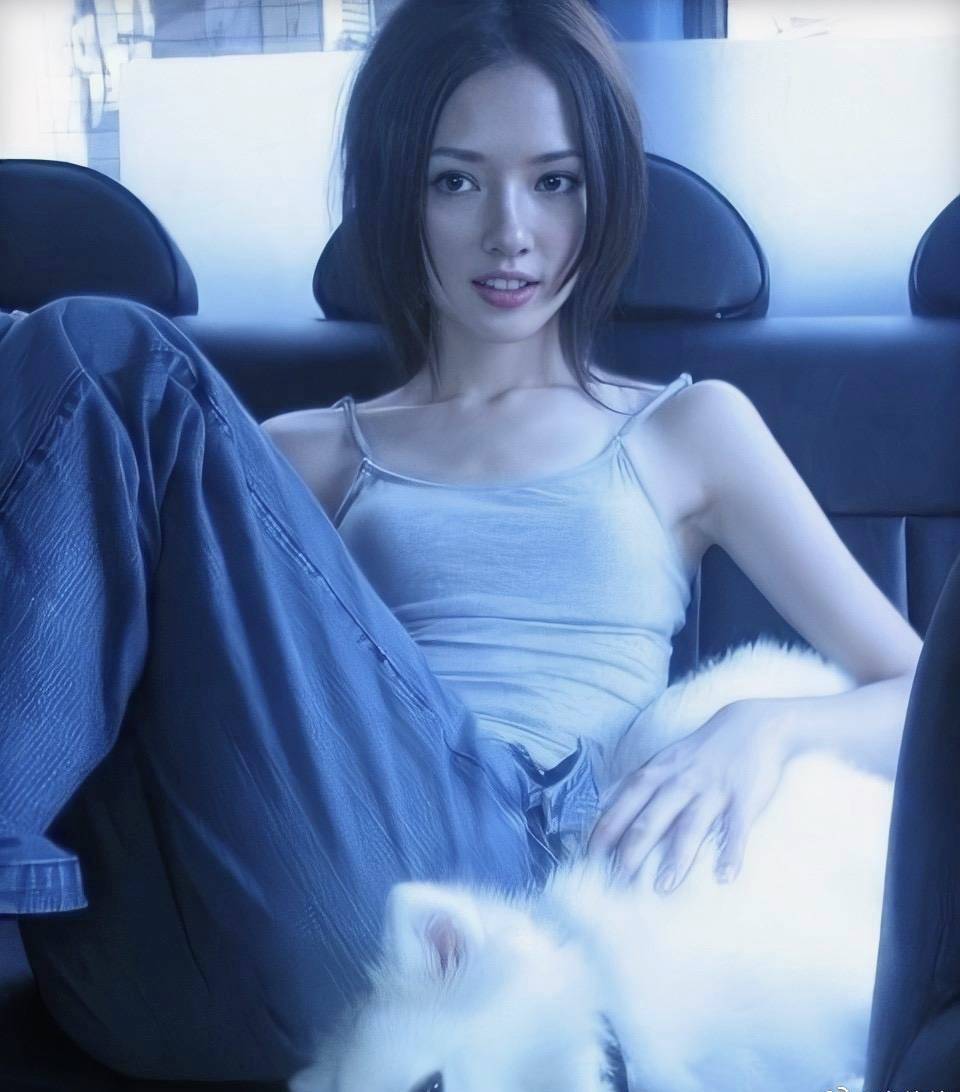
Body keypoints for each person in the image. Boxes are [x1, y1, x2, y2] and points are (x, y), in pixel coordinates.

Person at [0, 0, 921, 1084]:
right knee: (65, 355)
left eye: (554, 181)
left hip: (472, 917)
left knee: (111, 354)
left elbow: (925, 696)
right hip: (210, 925)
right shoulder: (302, 455)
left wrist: (764, 731)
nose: (510, 232)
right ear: (399, 197)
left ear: (604, 195)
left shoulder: (685, 430)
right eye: (456, 182)